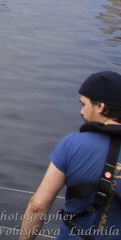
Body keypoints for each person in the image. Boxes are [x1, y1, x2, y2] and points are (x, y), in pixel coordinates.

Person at [20, 71, 121, 238]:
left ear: (100, 107)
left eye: (83, 104)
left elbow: (37, 205)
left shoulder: (72, 144)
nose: (81, 111)